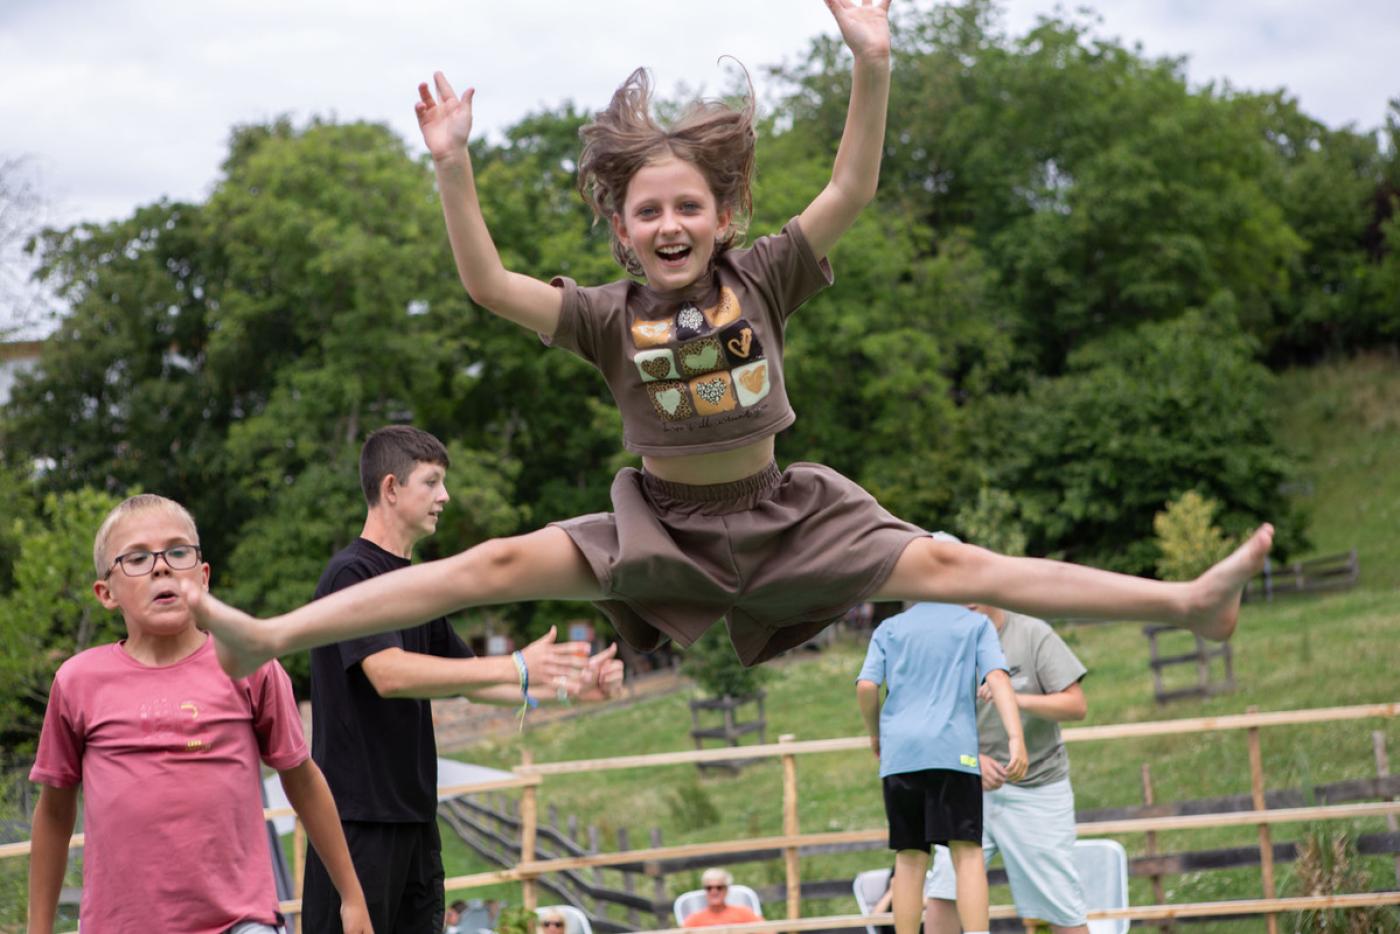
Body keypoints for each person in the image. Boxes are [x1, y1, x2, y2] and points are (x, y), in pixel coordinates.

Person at [186, 0, 1273, 683]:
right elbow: (484, 284)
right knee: (494, 564)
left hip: (785, 518)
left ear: (723, 216)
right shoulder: (604, 314)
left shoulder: (764, 276)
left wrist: (872, 65)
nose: (668, 225)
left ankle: (1187, 600)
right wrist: (451, 167)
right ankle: (271, 636)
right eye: (647, 212)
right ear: (621, 230)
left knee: (952, 564)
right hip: (660, 526)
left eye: (688, 208)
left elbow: (851, 189)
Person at [301, 426, 626, 934]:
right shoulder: (352, 575)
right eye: (431, 482)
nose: (445, 496)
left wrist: (571, 687)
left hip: (415, 822)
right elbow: (388, 673)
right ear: (391, 488)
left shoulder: (416, 583)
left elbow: (472, 682)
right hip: (356, 826)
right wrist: (515, 665)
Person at [25, 494, 371, 934]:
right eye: (137, 558)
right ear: (106, 593)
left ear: (203, 576)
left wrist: (352, 897)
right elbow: (54, 813)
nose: (161, 567)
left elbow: (302, 781)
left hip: (240, 922)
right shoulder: (78, 681)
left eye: (177, 551)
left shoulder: (249, 664)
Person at [857, 602, 1028, 934]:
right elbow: (997, 677)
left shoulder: (889, 628)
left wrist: (875, 734)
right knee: (967, 854)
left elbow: (866, 686)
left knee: (909, 857)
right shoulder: (975, 624)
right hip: (954, 755)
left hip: (901, 755)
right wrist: (1016, 738)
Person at [923, 605, 1090, 934]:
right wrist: (969, 760)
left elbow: (1076, 705)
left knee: (1061, 905)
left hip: (1038, 786)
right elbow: (928, 724)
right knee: (944, 892)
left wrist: (1012, 697)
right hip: (968, 788)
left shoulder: (1032, 633)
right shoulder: (941, 643)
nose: (966, 599)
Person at [682, 868, 764, 928]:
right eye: (709, 888)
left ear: (726, 890)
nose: (714, 892)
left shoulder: (744, 914)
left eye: (719, 887)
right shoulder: (694, 920)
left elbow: (766, 931)